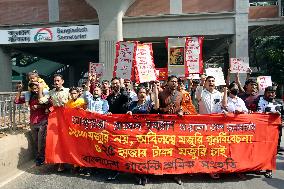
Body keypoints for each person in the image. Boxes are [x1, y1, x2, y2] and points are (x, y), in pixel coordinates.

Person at [126, 85, 159, 185]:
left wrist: (156, 91)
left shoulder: (149, 104)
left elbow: (157, 107)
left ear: (147, 94)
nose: (142, 94)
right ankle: (137, 174)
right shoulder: (132, 104)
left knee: (146, 154)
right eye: (140, 92)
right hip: (135, 133)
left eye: (144, 92)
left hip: (147, 134)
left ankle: (145, 174)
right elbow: (126, 115)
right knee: (136, 154)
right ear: (137, 94)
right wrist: (128, 113)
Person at [195, 76, 226, 179]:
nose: (211, 83)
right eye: (209, 81)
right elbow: (197, 97)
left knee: (214, 147)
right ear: (206, 83)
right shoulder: (201, 92)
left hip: (216, 124)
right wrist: (201, 83)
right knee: (204, 146)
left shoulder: (219, 94)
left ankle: (213, 168)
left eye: (213, 81)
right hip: (204, 124)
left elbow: (223, 106)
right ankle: (202, 167)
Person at [38, 74, 69, 172]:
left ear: (62, 81)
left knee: (65, 139)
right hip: (55, 117)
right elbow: (41, 101)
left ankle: (65, 162)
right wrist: (40, 89)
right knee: (55, 139)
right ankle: (58, 161)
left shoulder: (68, 91)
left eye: (58, 80)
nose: (56, 82)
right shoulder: (51, 92)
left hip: (66, 117)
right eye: (55, 81)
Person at [15, 82, 50, 166]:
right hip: (33, 122)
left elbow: (50, 106)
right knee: (36, 141)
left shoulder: (45, 96)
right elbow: (16, 101)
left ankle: (41, 158)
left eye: (36, 88)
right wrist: (19, 91)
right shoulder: (29, 96)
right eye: (33, 89)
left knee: (41, 141)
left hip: (43, 121)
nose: (35, 90)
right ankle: (39, 156)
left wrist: (39, 107)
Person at [158, 75, 183, 184]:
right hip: (164, 126)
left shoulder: (180, 95)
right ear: (167, 82)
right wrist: (165, 109)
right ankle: (163, 169)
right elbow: (156, 109)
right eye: (172, 81)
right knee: (164, 148)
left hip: (176, 126)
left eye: (176, 82)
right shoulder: (161, 94)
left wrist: (181, 111)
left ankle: (175, 173)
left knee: (176, 149)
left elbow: (182, 107)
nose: (174, 83)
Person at [257, 86, 283, 178]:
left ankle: (269, 169)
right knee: (261, 149)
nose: (271, 94)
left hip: (276, 131)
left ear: (275, 94)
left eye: (273, 92)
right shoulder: (259, 101)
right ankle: (259, 166)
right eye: (269, 92)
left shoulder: (280, 103)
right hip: (262, 130)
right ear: (265, 93)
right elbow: (256, 114)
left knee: (273, 150)